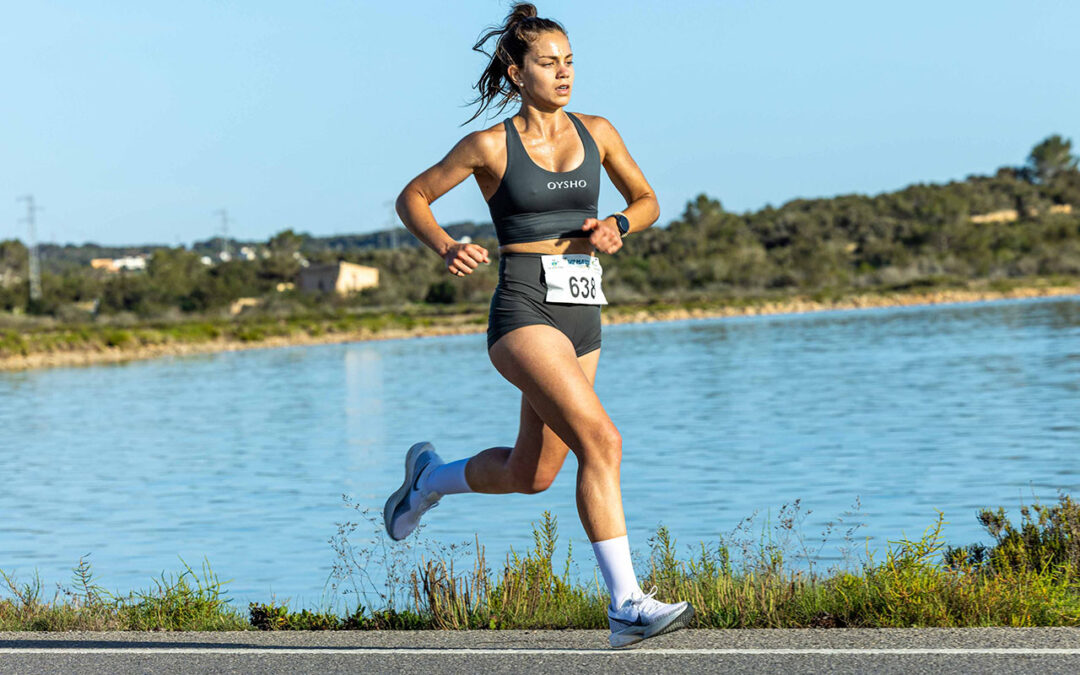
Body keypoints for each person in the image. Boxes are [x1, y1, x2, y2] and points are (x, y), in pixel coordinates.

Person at [384, 3, 693, 648]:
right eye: (548, 63)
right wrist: (444, 245)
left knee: (533, 474)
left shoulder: (599, 131)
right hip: (523, 308)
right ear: (515, 71)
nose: (563, 74)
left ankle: (429, 480)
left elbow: (649, 200)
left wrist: (620, 225)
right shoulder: (489, 146)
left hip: (584, 310)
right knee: (602, 441)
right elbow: (413, 195)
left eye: (570, 62)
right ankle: (626, 604)